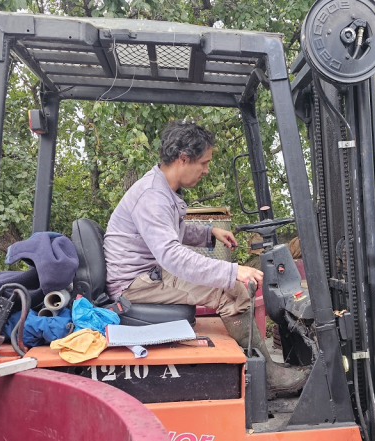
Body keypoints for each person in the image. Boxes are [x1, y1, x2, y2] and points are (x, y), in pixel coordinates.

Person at [103, 120, 308, 396]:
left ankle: (261, 368)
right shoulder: (152, 196)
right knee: (232, 290)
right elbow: (172, 256)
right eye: (204, 163)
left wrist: (210, 234)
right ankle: (269, 378)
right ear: (183, 158)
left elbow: (173, 231)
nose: (207, 170)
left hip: (147, 273)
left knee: (229, 284)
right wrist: (232, 271)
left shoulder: (162, 189)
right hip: (135, 284)